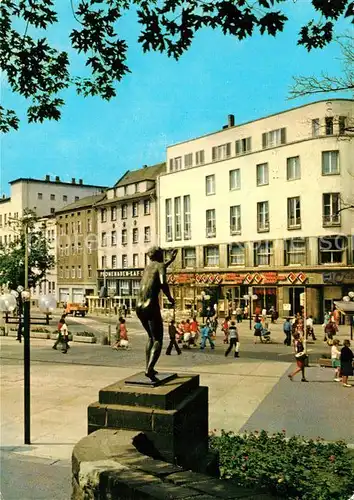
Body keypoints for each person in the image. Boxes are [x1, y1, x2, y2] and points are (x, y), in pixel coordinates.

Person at [135, 247, 177, 381]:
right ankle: (149, 369)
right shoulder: (160, 266)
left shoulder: (147, 268)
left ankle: (149, 367)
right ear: (160, 255)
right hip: (150, 306)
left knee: (150, 338)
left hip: (139, 306)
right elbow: (163, 282)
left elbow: (160, 267)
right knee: (158, 339)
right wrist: (169, 298)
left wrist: (170, 260)